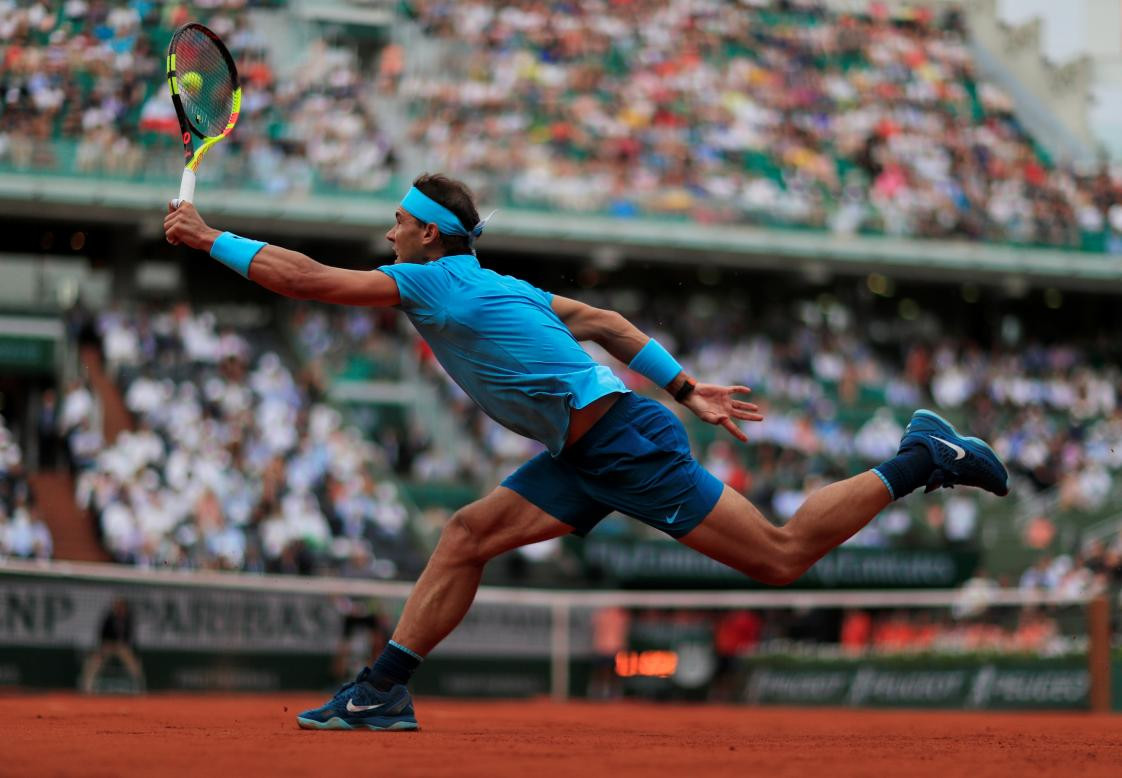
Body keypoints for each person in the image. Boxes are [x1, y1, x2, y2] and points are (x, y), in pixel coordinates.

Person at [163, 173, 1010, 731]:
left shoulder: (429, 280)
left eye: (398, 221)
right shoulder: (501, 283)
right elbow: (604, 323)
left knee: (783, 556)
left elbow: (307, 280)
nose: (388, 229)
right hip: (599, 440)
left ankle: (922, 459)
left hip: (620, 444)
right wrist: (685, 388)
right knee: (464, 534)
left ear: (427, 236)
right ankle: (381, 689)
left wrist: (209, 239)